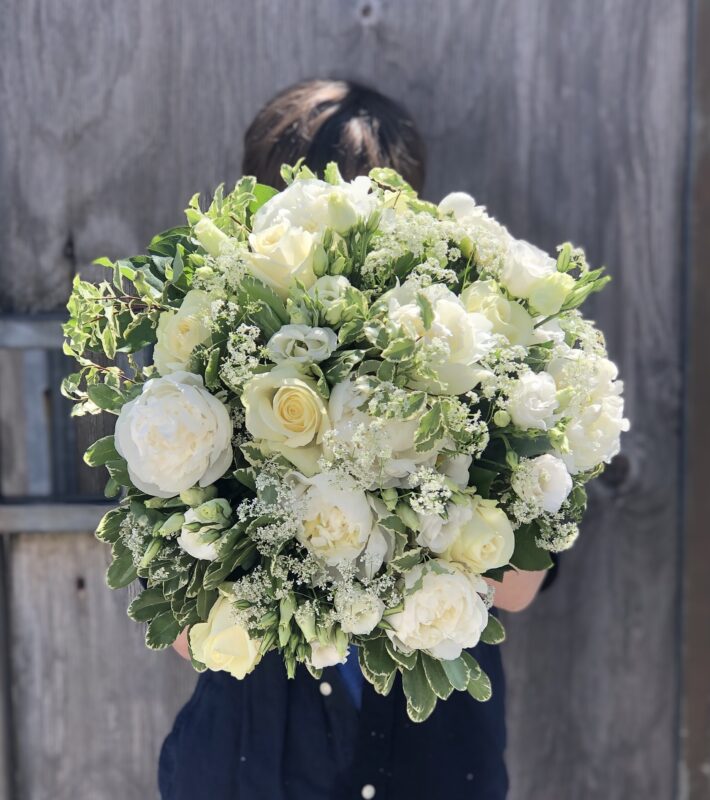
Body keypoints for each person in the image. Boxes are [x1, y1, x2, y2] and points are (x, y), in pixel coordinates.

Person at [158, 79, 552, 800]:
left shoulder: (467, 350)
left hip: (430, 759)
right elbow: (187, 637)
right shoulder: (205, 359)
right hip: (258, 758)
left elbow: (520, 587)